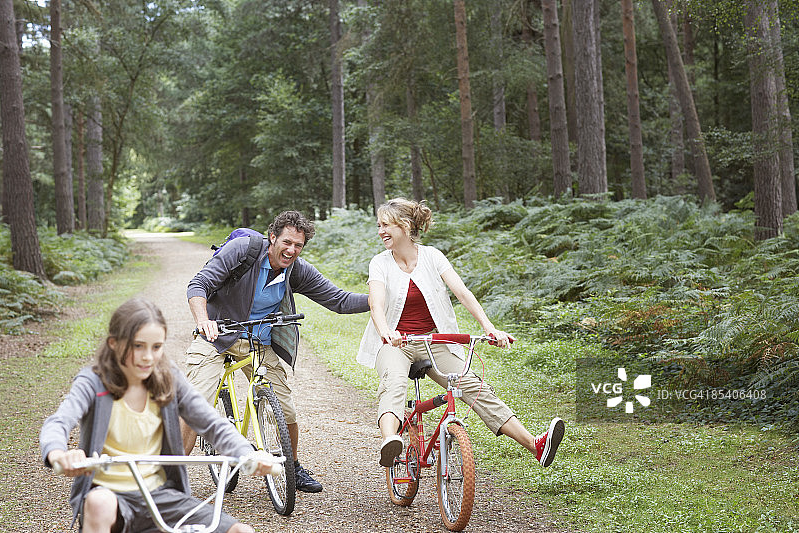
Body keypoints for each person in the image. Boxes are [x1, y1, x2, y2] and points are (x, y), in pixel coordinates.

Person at [357, 198, 565, 469]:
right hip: (396, 343)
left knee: (472, 385)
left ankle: (535, 445)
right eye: (379, 225)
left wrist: (489, 328)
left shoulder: (432, 256)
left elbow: (463, 293)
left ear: (405, 226)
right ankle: (390, 441)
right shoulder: (380, 263)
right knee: (394, 383)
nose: (381, 231)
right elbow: (377, 303)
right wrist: (387, 333)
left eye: (385, 225)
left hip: (433, 340)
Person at [40, 298, 279, 533]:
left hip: (160, 496)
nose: (148, 357)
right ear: (114, 343)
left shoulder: (168, 378)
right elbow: (60, 421)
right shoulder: (94, 382)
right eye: (138, 346)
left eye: (156, 347)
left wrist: (247, 454)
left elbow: (211, 423)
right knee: (99, 503)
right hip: (110, 497)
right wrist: (58, 453)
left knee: (240, 530)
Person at [182, 210, 369, 493]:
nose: (291, 250)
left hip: (258, 341)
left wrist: (378, 298)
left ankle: (292, 466)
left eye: (298, 245)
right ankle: (173, 477)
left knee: (286, 410)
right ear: (272, 237)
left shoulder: (296, 270)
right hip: (217, 336)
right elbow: (199, 284)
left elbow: (338, 300)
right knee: (196, 405)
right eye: (287, 242)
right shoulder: (242, 251)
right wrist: (203, 321)